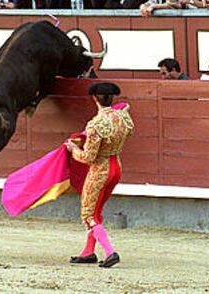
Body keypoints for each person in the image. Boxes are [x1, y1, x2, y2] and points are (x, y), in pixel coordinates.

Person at [65, 82, 134, 268]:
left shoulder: (95, 124)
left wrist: (73, 149)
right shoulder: (124, 118)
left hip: (99, 170)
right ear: (112, 98)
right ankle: (88, 252)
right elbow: (128, 133)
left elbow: (88, 157)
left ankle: (110, 252)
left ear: (95, 98)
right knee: (97, 212)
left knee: (88, 214)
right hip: (116, 168)